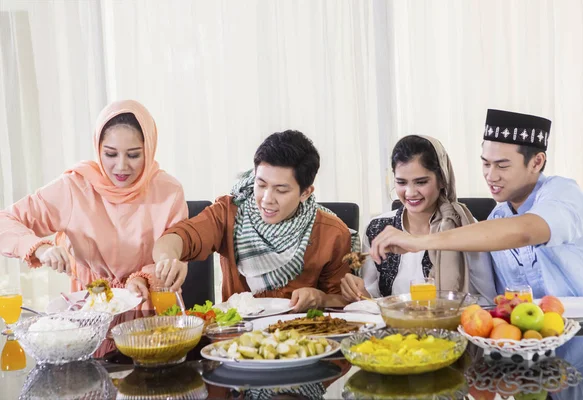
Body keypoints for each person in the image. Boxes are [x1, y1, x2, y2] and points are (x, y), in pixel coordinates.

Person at [369, 109, 583, 298]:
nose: (490, 175)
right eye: (486, 164)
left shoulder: (563, 193)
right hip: (524, 347)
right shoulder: (497, 217)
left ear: (537, 162)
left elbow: (525, 231)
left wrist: (419, 241)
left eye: (502, 165)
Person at [0, 100, 188, 300]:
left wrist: (144, 278)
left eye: (133, 155)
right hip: (91, 308)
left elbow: (175, 257)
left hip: (150, 306)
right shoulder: (75, 188)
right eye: (110, 154)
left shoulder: (169, 191)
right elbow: (5, 221)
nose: (121, 166)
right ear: (98, 148)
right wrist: (41, 249)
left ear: (149, 149)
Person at [151, 130, 353, 312]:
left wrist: (321, 298)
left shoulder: (332, 232)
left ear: (305, 193)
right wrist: (168, 259)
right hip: (238, 338)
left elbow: (344, 300)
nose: (266, 199)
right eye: (261, 184)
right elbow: (177, 238)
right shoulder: (229, 213)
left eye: (281, 190)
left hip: (302, 340)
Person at [340, 135, 496, 303]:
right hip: (392, 327)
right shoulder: (378, 227)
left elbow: (488, 298)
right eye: (401, 182)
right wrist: (359, 292)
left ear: (442, 179)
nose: (410, 193)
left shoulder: (465, 227)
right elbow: (373, 296)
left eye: (421, 182)